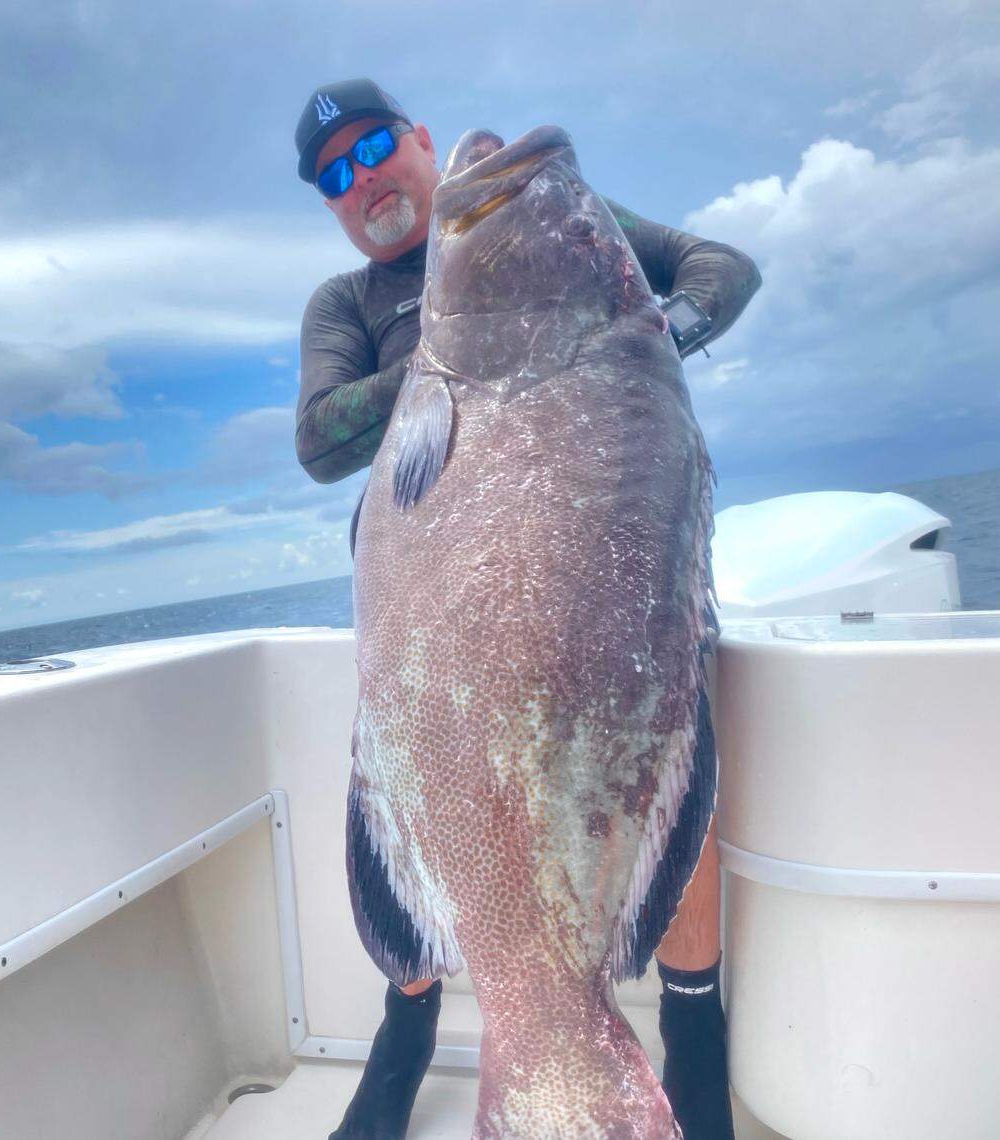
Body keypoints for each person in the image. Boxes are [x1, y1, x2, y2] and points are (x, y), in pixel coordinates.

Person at [293, 78, 761, 1140]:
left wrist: (634, 333)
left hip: (610, 584)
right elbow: (321, 440)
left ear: (419, 142)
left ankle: (693, 1046)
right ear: (329, 202)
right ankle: (404, 1043)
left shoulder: (545, 214)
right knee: (424, 798)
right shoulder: (347, 306)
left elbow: (722, 273)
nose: (361, 179)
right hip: (437, 621)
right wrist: (466, 347)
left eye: (373, 149)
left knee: (678, 781)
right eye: (333, 175)